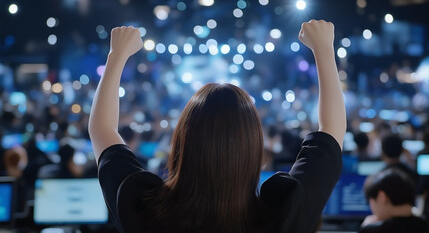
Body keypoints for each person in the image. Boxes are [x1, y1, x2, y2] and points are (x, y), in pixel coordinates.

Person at [89, 20, 346, 233]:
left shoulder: (145, 211)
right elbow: (331, 134)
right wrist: (324, 49)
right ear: (253, 147)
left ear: (182, 142)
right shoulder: (281, 216)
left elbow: (102, 131)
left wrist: (117, 56)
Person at [359, 168, 429, 233]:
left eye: (371, 201)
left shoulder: (372, 230)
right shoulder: (425, 225)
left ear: (382, 197)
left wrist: (365, 227)